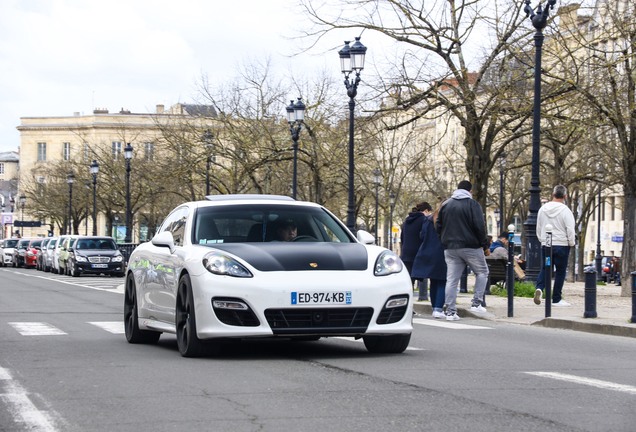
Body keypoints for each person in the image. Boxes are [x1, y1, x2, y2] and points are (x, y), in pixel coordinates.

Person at [435, 180, 490, 321]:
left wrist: (443, 239)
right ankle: (476, 303)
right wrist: (484, 245)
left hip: (450, 248)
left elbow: (438, 225)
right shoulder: (473, 205)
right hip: (471, 246)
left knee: (452, 281)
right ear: (470, 191)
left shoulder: (446, 204)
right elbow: (479, 226)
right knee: (482, 272)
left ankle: (450, 312)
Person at [534, 184, 576, 307]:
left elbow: (539, 227)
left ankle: (540, 288)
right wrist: (571, 242)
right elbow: (570, 229)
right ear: (565, 196)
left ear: (553, 194)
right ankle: (556, 298)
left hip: (547, 244)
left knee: (545, 268)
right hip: (562, 245)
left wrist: (542, 240)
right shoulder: (566, 211)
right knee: (560, 271)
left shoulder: (542, 209)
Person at [411, 203, 446, 318]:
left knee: (433, 280)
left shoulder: (427, 220)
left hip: (427, 251)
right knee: (441, 280)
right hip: (441, 251)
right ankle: (438, 308)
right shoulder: (445, 221)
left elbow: (422, 235)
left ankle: (434, 307)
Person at [400, 202, 431, 301]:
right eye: (429, 212)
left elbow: (402, 237)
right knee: (423, 276)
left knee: (409, 282)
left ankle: (409, 305)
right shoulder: (424, 220)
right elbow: (425, 236)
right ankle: (423, 297)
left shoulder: (407, 221)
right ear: (426, 211)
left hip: (406, 253)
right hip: (418, 253)